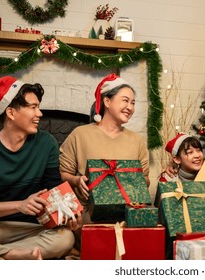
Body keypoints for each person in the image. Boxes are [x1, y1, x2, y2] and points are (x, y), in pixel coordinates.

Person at [59, 73, 150, 251]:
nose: (130, 107)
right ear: (107, 102)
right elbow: (62, 174)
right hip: (89, 213)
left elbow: (146, 180)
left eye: (133, 103)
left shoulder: (137, 141)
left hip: (127, 212)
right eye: (125, 101)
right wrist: (76, 181)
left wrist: (133, 181)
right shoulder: (80, 134)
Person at [0, 76, 77, 260]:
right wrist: (20, 205)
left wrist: (67, 213)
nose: (39, 113)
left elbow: (53, 190)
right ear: (10, 112)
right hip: (1, 227)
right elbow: (21, 205)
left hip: (33, 228)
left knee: (65, 239)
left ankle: (4, 256)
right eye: (33, 107)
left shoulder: (46, 143)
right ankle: (14, 255)